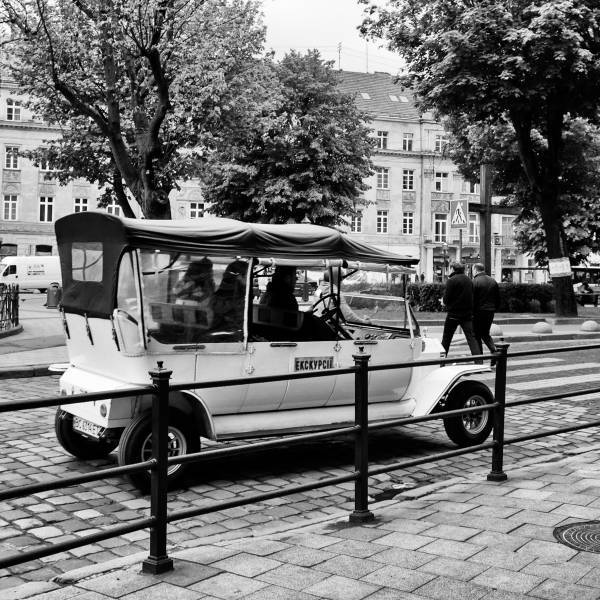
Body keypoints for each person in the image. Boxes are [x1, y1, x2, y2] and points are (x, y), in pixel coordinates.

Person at [441, 261, 481, 361]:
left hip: (453, 314)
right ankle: (479, 362)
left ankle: (441, 362)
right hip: (467, 314)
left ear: (453, 269)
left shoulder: (451, 280)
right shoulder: (469, 280)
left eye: (450, 268)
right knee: (472, 339)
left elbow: (446, 299)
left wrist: (443, 302)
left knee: (447, 339)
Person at [472, 263, 500, 362]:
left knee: (476, 335)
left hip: (478, 312)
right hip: (490, 311)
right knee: (485, 333)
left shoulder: (475, 281)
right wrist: (494, 308)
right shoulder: (493, 281)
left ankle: (479, 359)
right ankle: (494, 350)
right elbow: (498, 298)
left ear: (475, 270)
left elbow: (473, 299)